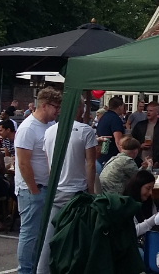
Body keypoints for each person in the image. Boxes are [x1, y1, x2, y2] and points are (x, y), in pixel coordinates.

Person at [38, 96, 98, 274]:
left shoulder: (49, 131)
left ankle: (42, 271)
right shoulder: (86, 130)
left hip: (56, 189)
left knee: (50, 236)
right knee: (77, 240)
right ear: (79, 109)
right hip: (76, 192)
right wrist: (91, 191)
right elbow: (90, 164)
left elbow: (50, 163)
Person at [14, 87, 61, 274]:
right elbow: (23, 163)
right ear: (44, 106)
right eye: (55, 107)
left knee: (41, 234)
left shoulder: (48, 127)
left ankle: (36, 268)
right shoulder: (28, 128)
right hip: (32, 189)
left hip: (46, 187)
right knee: (30, 235)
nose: (58, 110)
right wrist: (33, 189)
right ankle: (25, 270)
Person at [130, 100, 159, 169]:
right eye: (147, 111)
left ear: (157, 112)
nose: (148, 113)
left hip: (154, 161)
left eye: (151, 111)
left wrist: (158, 161)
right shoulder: (140, 125)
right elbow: (132, 141)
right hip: (139, 160)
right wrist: (140, 145)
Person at [125, 170, 159, 236]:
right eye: (148, 188)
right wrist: (154, 219)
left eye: (152, 189)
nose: (150, 193)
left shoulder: (149, 202)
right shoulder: (126, 204)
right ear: (138, 186)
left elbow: (156, 222)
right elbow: (133, 231)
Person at [96, 96, 126, 168]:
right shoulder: (115, 119)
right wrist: (124, 157)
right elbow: (118, 141)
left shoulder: (104, 116)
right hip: (111, 157)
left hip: (101, 156)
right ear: (119, 107)